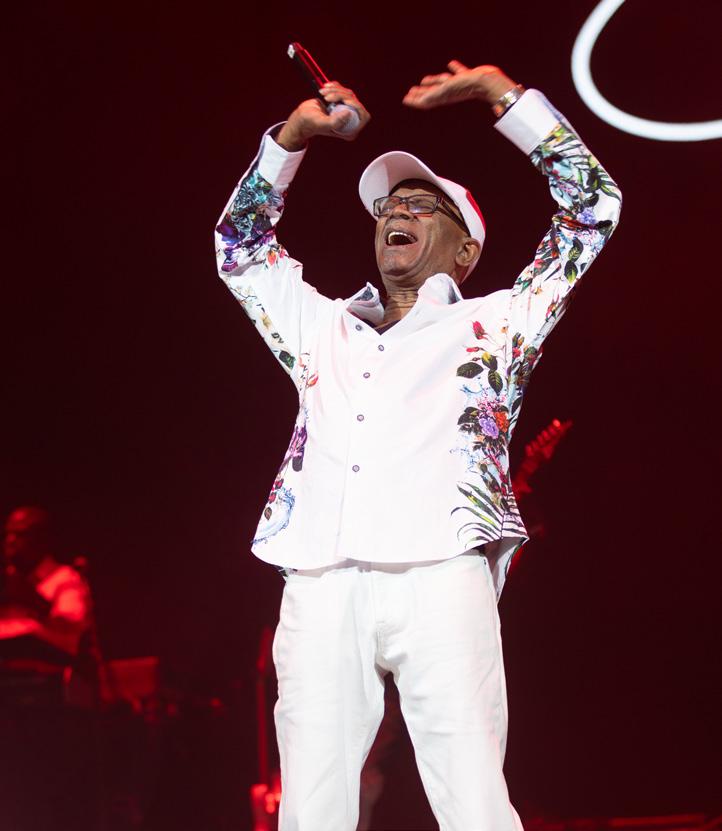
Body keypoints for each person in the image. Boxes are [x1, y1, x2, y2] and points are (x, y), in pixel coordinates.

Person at [214, 60, 621, 831]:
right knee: (309, 808)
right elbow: (239, 250)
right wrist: (292, 139)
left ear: (464, 251)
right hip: (322, 575)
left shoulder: (497, 323)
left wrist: (503, 98)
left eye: (422, 205)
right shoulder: (322, 325)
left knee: (472, 800)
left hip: (441, 572)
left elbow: (591, 209)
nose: (396, 212)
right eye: (389, 206)